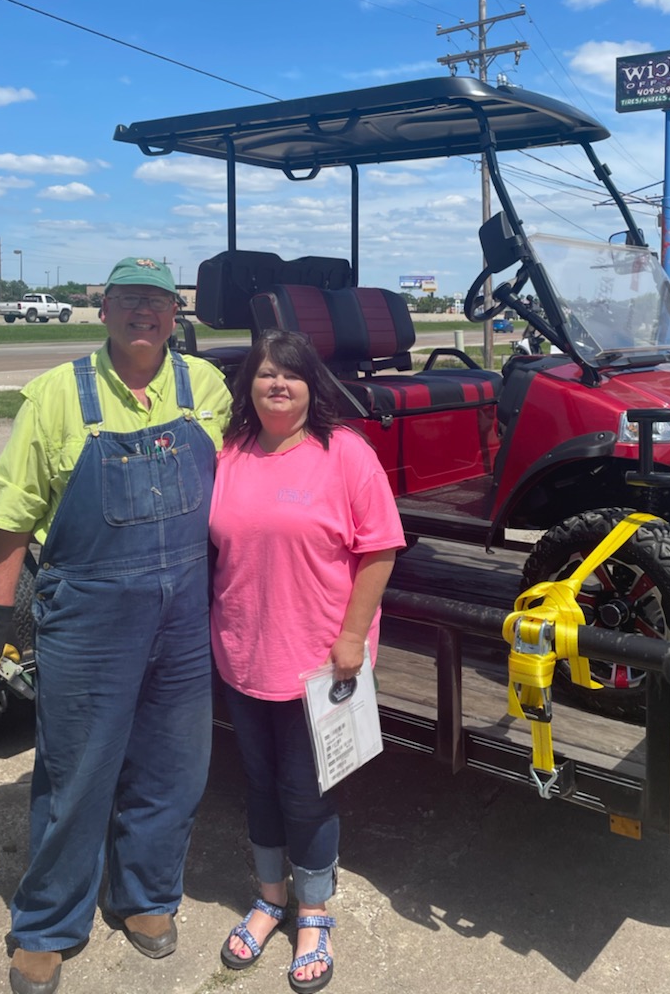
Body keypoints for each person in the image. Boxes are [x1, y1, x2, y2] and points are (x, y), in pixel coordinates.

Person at [0, 257, 232, 994]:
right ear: (103, 310)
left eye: (159, 301)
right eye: (129, 299)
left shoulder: (205, 388)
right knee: (77, 772)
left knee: (174, 768)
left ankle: (145, 897)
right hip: (89, 612)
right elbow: (12, 513)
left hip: (184, 613)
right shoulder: (55, 396)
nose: (145, 311)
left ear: (176, 315)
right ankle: (47, 924)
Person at [209, 330, 404, 992]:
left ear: (311, 385)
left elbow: (380, 550)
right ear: (250, 386)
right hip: (243, 654)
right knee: (259, 785)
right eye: (264, 374)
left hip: (320, 661)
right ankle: (270, 899)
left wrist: (352, 640)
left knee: (308, 792)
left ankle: (313, 911)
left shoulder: (344, 453)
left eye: (289, 375)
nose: (276, 384)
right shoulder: (231, 453)